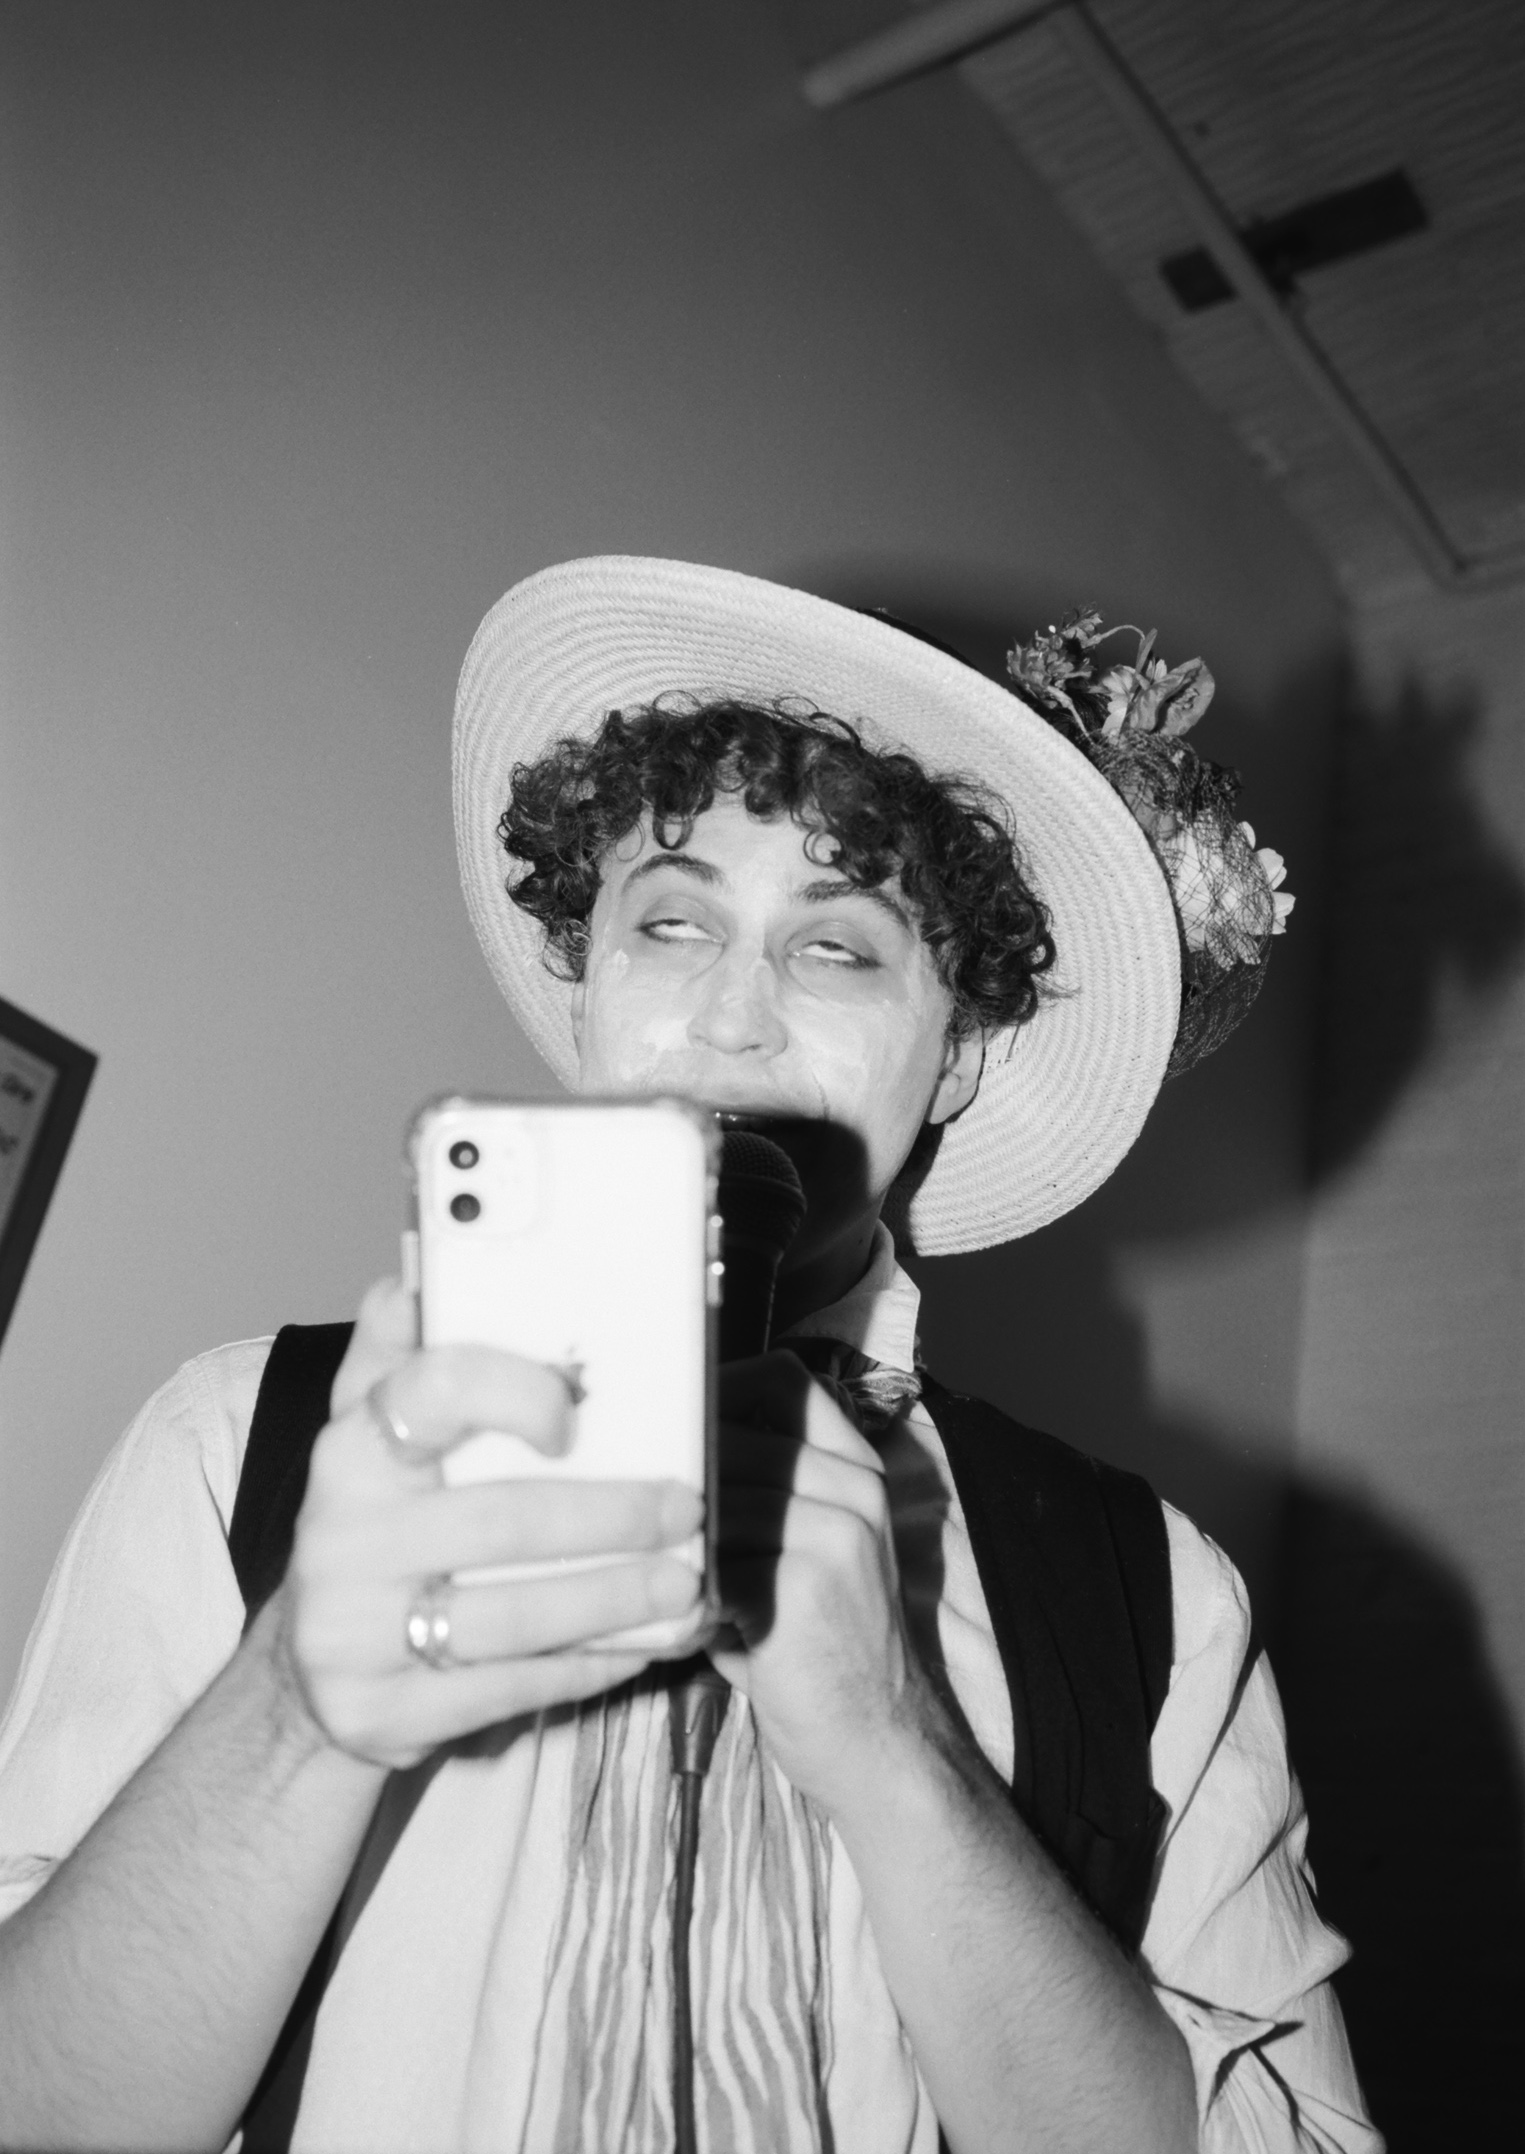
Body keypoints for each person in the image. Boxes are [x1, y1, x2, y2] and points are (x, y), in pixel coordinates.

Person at [0, 558, 1377, 2153]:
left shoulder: (1161, 1600)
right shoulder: (237, 1439)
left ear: (959, 1052)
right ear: (584, 976)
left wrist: (902, 1753)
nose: (731, 1016)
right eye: (670, 920)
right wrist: (298, 1704)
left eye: (836, 946)